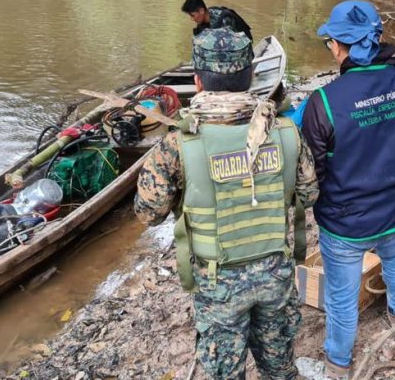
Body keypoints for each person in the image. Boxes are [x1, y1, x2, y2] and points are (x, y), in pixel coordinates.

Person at [134, 27, 318, 379]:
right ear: (250, 77)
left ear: (197, 81)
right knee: (280, 368)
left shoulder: (176, 145)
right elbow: (309, 195)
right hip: (275, 274)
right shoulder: (285, 132)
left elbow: (148, 213)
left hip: (217, 284)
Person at [300, 0, 395, 378]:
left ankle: (337, 365)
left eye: (330, 41)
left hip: (345, 222)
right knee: (394, 256)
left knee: (342, 298)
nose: (330, 48)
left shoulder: (324, 101)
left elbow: (312, 175)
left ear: (340, 46)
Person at [181, 0, 252, 40]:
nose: (192, 19)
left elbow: (233, 46)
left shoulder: (224, 20)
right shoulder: (203, 20)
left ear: (201, 11)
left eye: (193, 15)